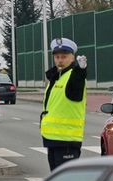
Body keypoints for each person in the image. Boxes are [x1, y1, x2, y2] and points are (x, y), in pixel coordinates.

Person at [40, 37, 87, 171]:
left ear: (72, 58)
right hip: (52, 139)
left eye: (64, 57)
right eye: (57, 57)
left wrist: (81, 70)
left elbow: (77, 82)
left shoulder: (72, 76)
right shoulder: (56, 78)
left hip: (67, 140)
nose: (60, 60)